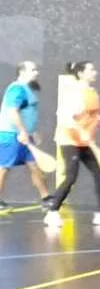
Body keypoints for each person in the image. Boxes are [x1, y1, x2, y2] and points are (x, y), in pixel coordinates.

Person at [43, 61, 100, 227]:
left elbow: (87, 113)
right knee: (71, 178)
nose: (95, 72)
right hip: (69, 140)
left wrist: (98, 119)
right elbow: (65, 117)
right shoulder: (76, 93)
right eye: (91, 69)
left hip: (85, 142)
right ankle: (52, 213)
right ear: (81, 73)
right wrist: (81, 131)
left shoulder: (91, 92)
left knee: (99, 174)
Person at [0, 61, 51, 208]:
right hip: (11, 135)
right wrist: (22, 131)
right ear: (22, 72)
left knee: (34, 165)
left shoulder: (26, 89)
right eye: (33, 70)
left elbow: (26, 114)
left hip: (24, 135)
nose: (37, 72)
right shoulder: (17, 89)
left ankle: (46, 197)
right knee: (3, 167)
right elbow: (12, 112)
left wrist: (32, 132)